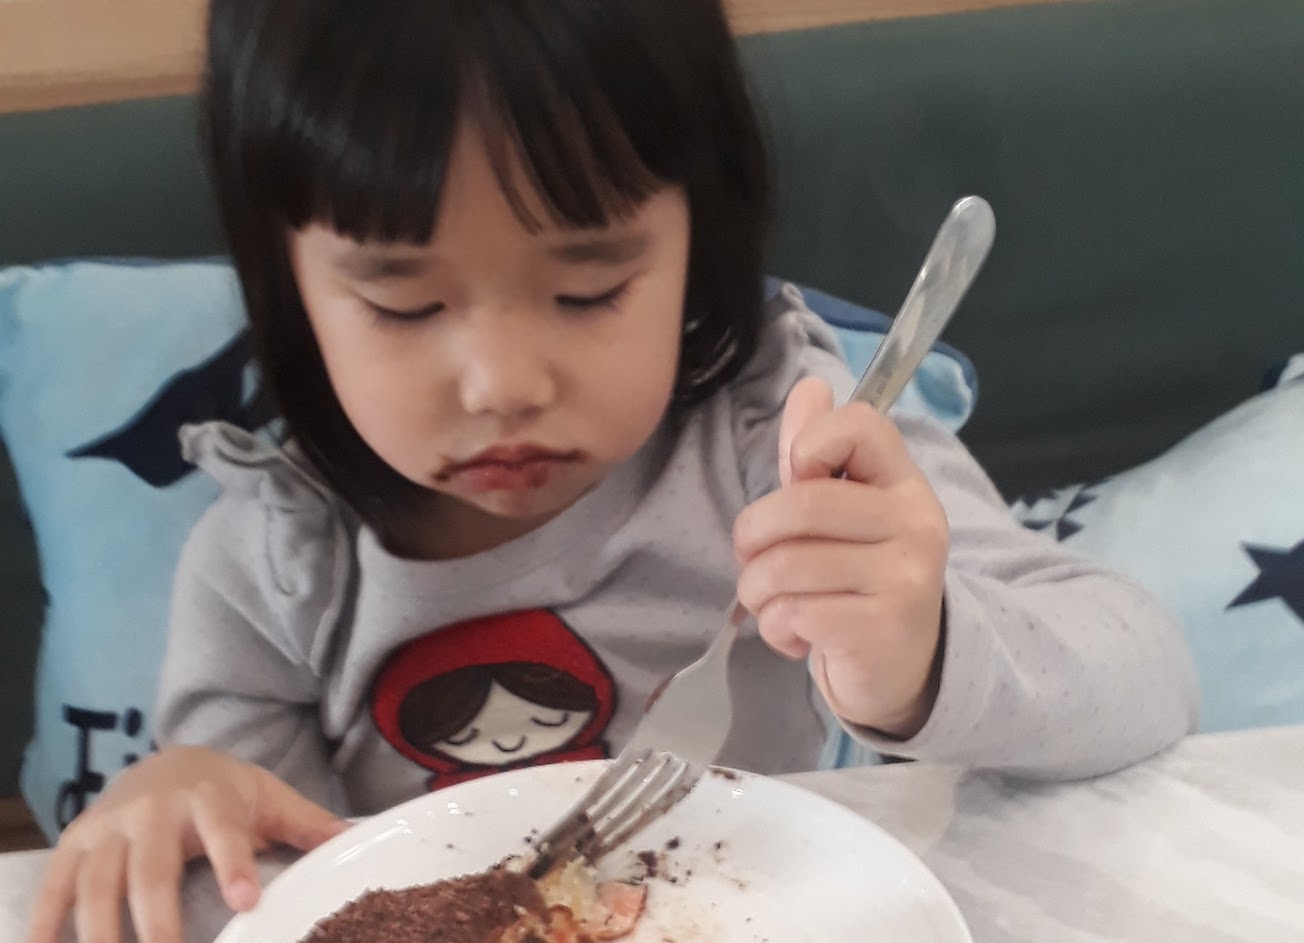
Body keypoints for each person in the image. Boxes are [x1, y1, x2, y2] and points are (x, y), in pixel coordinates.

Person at [28, 1, 1198, 941]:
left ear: (700, 245)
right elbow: (275, 900)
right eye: (404, 304)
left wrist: (920, 653)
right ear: (291, 294)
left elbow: (1143, 678)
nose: (502, 385)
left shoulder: (790, 443)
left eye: (587, 291)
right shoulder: (270, 563)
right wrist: (183, 808)